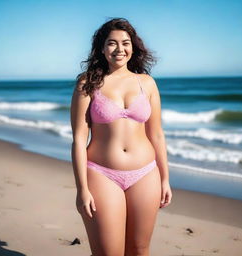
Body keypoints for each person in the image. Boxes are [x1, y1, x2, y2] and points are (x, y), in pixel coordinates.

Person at [70, 17, 172, 256]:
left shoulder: (146, 83)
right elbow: (78, 139)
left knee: (139, 249)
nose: (119, 49)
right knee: (108, 252)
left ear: (133, 47)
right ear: (102, 48)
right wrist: (81, 189)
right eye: (112, 43)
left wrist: (165, 179)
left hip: (146, 173)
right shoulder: (87, 83)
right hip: (102, 174)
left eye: (125, 43)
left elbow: (156, 134)